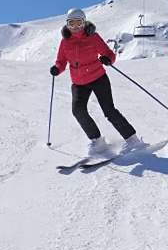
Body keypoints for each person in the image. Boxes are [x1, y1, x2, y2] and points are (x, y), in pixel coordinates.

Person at [49, 8, 143, 156]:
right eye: (71, 24)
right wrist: (57, 68)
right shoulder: (65, 42)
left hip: (98, 77)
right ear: (67, 25)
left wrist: (108, 59)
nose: (75, 27)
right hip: (78, 82)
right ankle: (97, 141)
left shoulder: (93, 37)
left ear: (84, 22)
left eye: (78, 23)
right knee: (78, 110)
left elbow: (109, 54)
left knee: (109, 111)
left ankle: (132, 140)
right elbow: (61, 61)